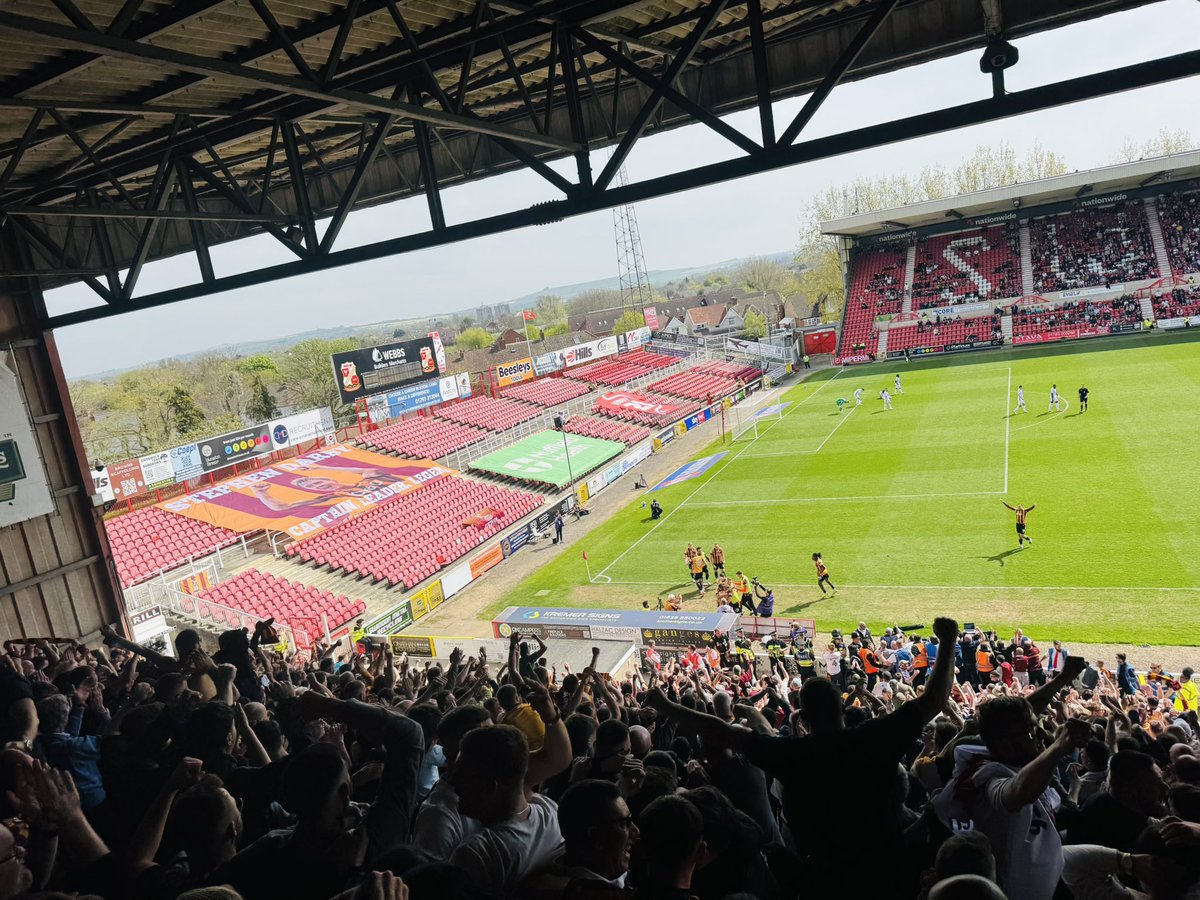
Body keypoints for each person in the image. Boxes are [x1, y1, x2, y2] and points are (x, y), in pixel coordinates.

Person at [646, 616, 960, 884]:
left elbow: (723, 731)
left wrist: (665, 705)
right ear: (842, 704)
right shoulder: (875, 738)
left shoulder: (792, 755)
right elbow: (933, 700)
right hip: (887, 867)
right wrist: (947, 641)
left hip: (826, 876)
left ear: (804, 719)